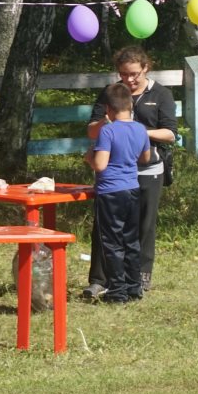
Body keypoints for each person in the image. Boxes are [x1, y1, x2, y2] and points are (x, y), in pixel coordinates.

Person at [83, 47, 178, 298]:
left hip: (148, 170)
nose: (129, 79)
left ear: (146, 68)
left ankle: (139, 277)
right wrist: (109, 120)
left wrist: (136, 132)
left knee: (143, 226)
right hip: (114, 174)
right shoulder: (111, 93)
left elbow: (170, 133)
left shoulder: (161, 94)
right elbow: (92, 130)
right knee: (104, 228)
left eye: (134, 74)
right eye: (124, 74)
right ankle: (99, 279)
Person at [84, 83, 153, 302]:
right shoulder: (140, 129)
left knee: (111, 242)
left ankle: (116, 291)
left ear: (107, 109)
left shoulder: (108, 130)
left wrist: (89, 157)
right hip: (133, 188)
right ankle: (134, 287)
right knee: (131, 240)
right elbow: (145, 159)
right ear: (130, 105)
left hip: (110, 192)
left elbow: (100, 165)